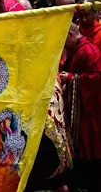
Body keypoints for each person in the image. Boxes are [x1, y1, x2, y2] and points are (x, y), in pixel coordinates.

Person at [61, 23, 101, 191]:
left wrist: (71, 78)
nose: (63, 45)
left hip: (89, 114)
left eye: (64, 40)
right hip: (79, 111)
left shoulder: (89, 51)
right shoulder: (77, 49)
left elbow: (96, 79)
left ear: (70, 34)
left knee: (89, 152)